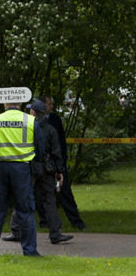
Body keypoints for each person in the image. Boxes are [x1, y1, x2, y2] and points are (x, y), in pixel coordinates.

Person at [4, 100, 73, 245]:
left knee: (22, 197)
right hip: (47, 169)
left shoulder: (27, 127)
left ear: (33, 112)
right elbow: (57, 153)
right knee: (49, 200)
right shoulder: (51, 130)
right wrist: (59, 171)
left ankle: (16, 231)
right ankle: (55, 234)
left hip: (28, 167)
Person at [0, 102, 45, 256]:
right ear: (20, 103)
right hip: (22, 169)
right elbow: (41, 147)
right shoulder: (30, 121)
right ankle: (30, 251)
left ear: (5, 103)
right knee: (25, 210)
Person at [42, 95, 87, 231]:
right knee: (40, 192)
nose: (51, 106)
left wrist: (61, 162)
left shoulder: (56, 120)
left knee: (64, 190)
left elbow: (61, 141)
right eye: (49, 103)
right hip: (41, 162)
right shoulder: (33, 121)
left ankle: (76, 221)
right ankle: (44, 222)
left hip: (56, 162)